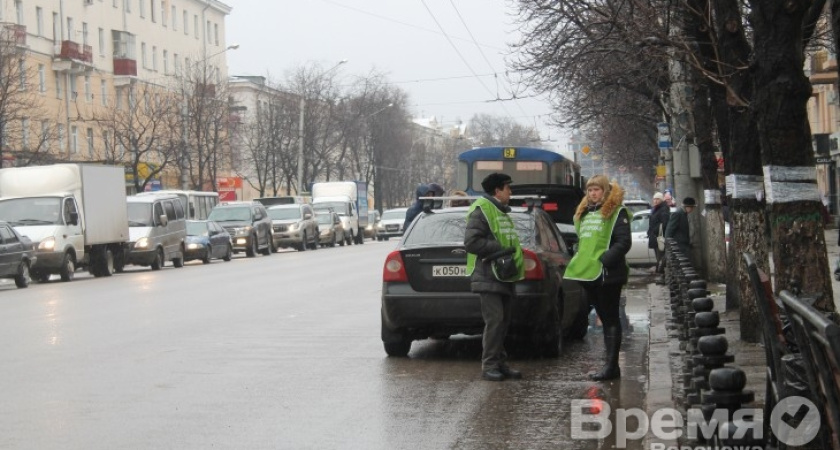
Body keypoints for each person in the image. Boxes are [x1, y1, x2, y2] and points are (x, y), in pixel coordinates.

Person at [564, 175, 632, 381]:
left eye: (597, 189)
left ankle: (611, 366)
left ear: (605, 191)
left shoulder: (616, 212)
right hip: (588, 273)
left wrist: (605, 259)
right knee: (604, 316)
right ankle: (611, 366)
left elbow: (623, 242)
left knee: (610, 319)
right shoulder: (584, 213)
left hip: (608, 274)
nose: (592, 193)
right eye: (590, 190)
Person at [464, 172, 525, 382]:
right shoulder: (482, 210)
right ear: (497, 191)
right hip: (488, 274)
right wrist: (500, 249)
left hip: (503, 274)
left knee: (504, 321)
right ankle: (489, 365)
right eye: (508, 188)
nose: (511, 192)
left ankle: (500, 363)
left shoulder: (500, 211)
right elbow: (472, 242)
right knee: (495, 321)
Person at [647, 192, 670, 277]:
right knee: (658, 256)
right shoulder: (655, 209)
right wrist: (649, 232)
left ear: (661, 200)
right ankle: (660, 273)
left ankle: (661, 274)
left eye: (657, 199)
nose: (655, 201)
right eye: (654, 199)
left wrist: (654, 231)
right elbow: (652, 222)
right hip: (655, 236)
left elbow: (664, 223)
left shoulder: (663, 209)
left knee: (660, 257)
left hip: (659, 237)